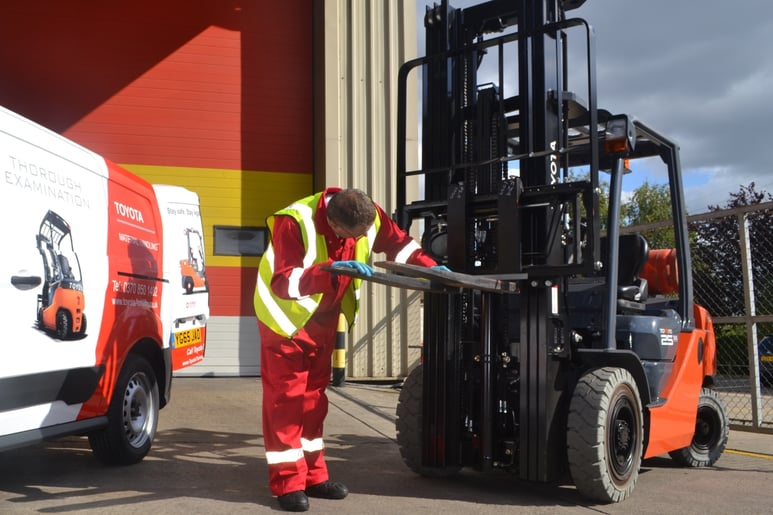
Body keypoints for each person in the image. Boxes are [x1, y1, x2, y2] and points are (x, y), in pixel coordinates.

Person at [253, 187, 445, 512]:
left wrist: (430, 266)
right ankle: (287, 483)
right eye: (351, 237)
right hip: (285, 323)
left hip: (323, 321)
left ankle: (314, 477)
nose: (359, 241)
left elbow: (399, 245)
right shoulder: (294, 222)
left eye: (363, 235)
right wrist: (330, 270)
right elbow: (283, 282)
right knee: (286, 402)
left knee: (314, 402)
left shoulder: (365, 214)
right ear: (333, 223)